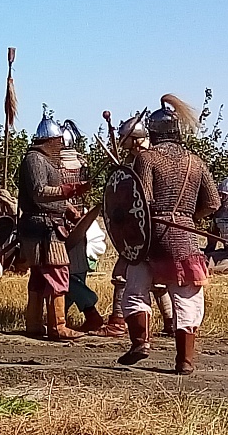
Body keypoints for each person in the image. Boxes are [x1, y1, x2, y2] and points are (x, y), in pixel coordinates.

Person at [118, 94, 219, 375]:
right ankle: (184, 360)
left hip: (150, 235)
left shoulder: (147, 158)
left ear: (153, 132)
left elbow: (143, 200)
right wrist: (190, 217)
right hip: (184, 237)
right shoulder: (196, 162)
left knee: (135, 290)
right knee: (186, 297)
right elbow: (213, 203)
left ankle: (140, 343)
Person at [91, 114, 175, 338]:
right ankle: (171, 322)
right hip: (157, 229)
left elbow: (144, 199)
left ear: (136, 139)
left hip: (146, 230)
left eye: (126, 141)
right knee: (158, 279)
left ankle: (118, 322)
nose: (124, 146)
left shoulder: (146, 160)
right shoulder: (152, 158)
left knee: (121, 274)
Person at [18, 111, 90, 341]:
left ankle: (35, 325)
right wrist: (67, 191)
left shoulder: (44, 160)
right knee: (58, 273)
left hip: (45, 224)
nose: (59, 146)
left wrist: (68, 207)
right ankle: (58, 326)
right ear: (49, 141)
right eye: (57, 142)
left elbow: (52, 196)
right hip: (43, 227)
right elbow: (39, 193)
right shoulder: (35, 159)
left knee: (40, 277)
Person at [58, 120, 105, 333]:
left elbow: (58, 193)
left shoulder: (57, 165)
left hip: (63, 223)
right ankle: (61, 318)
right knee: (73, 272)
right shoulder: (83, 164)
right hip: (79, 223)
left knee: (63, 273)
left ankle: (91, 311)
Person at [204, 177, 228, 267]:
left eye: (223, 195)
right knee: (207, 257)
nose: (220, 197)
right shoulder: (218, 214)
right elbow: (212, 237)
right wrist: (208, 252)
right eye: (220, 194)